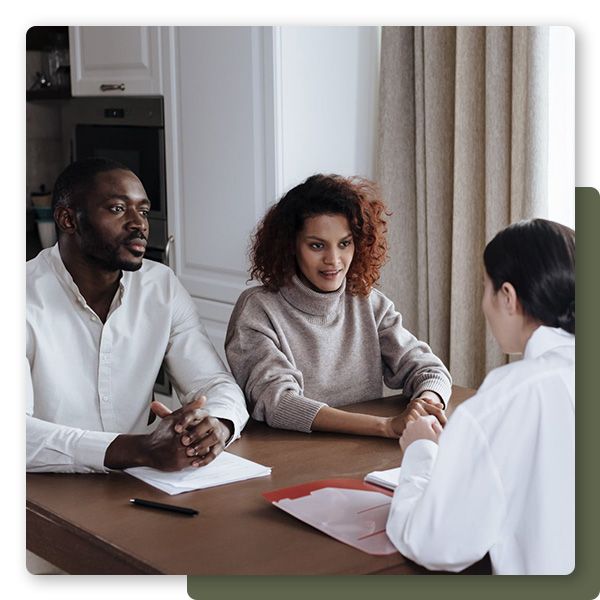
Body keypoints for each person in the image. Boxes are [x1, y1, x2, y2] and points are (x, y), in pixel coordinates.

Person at [26, 157, 249, 473]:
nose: (139, 224)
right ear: (67, 219)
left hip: (137, 483)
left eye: (143, 211)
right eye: (118, 209)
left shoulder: (161, 287)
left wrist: (217, 425)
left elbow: (214, 382)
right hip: (42, 493)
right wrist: (139, 449)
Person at [385, 218, 575, 575]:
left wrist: (420, 452)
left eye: (484, 289)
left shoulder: (509, 396)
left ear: (507, 297)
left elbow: (433, 542)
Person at [225, 174, 451, 437]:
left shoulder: (369, 302)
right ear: (291, 246)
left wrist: (426, 403)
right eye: (317, 245)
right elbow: (278, 402)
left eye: (344, 244)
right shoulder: (258, 310)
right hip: (289, 456)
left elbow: (428, 368)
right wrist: (385, 426)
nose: (333, 260)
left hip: (362, 452)